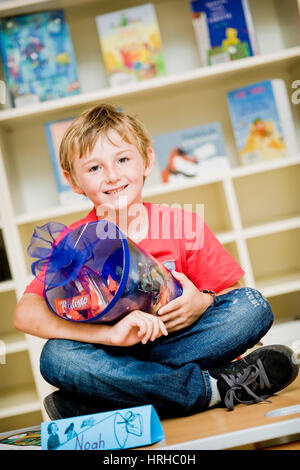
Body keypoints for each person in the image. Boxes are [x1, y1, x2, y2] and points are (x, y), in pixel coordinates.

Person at [14, 104, 299, 420]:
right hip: (112, 352)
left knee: (253, 306)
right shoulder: (73, 242)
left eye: (123, 159)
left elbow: (231, 294)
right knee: (56, 357)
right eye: (94, 168)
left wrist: (201, 304)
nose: (112, 176)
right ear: (74, 182)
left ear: (147, 160)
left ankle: (107, 400)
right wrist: (109, 336)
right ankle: (211, 388)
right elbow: (25, 312)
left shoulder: (183, 224)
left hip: (180, 343)